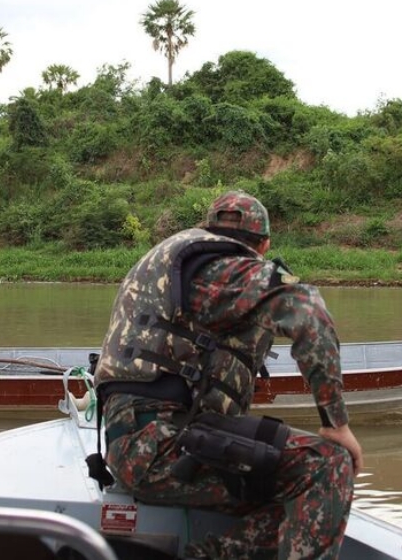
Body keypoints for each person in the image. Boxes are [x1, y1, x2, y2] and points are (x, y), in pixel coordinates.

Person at [92, 190, 364, 560]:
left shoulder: (179, 260)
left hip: (137, 444)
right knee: (328, 464)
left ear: (210, 229)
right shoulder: (228, 269)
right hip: (162, 447)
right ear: (263, 245)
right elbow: (306, 305)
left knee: (280, 480)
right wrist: (337, 425)